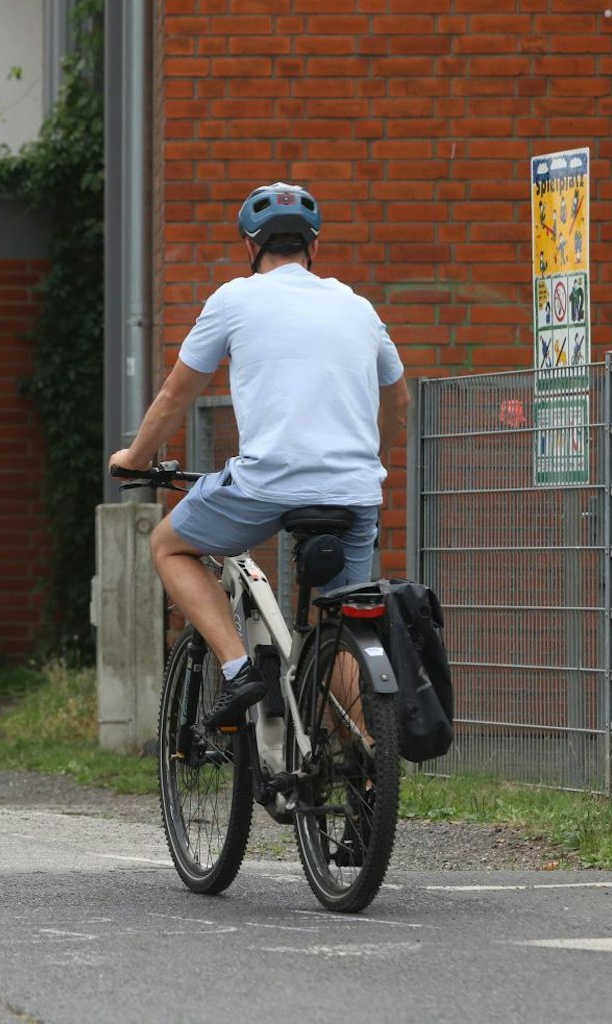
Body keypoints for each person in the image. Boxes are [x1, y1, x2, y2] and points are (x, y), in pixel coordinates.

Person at [108, 182, 411, 729]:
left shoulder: (234, 299)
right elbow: (399, 398)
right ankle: (368, 767)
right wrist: (372, 458)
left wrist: (135, 457)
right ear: (311, 247)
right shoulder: (357, 307)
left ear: (252, 248)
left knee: (168, 545)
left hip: (266, 485)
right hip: (356, 491)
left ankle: (237, 668)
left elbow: (178, 393)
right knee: (342, 620)